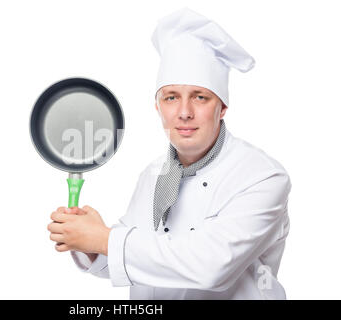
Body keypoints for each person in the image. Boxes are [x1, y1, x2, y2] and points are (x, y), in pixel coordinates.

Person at [47, 7, 291, 299]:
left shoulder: (263, 177)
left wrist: (105, 238)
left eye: (200, 97)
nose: (184, 113)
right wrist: (88, 244)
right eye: (171, 97)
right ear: (158, 107)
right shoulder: (154, 174)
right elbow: (127, 260)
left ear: (222, 107)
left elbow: (212, 266)